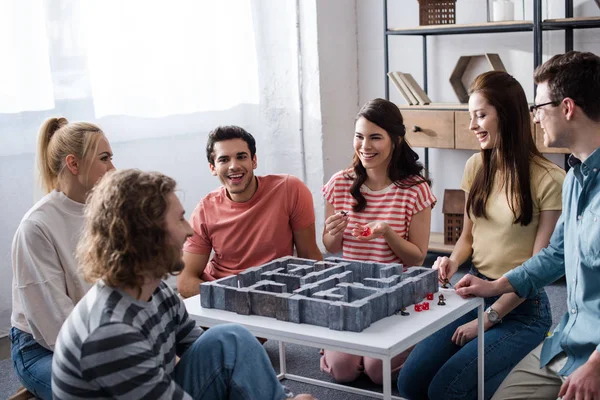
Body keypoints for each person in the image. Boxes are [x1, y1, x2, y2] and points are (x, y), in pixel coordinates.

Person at [51, 169, 316, 400]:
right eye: (179, 219)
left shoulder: (155, 290)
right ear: (147, 234)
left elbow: (211, 354)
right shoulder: (111, 332)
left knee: (229, 337)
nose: (190, 230)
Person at [397, 71, 566, 400]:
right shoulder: (476, 166)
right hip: (472, 292)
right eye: (470, 116)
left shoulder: (550, 179)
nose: (473, 125)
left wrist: (489, 319)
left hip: (521, 308)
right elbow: (467, 239)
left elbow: (537, 267)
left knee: (446, 390)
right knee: (410, 383)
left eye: (481, 115)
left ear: (507, 114)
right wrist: (451, 261)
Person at [455, 51, 600, 400]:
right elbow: (554, 255)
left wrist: (595, 366)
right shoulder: (574, 180)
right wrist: (492, 288)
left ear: (566, 108)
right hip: (568, 337)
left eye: (539, 107)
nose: (534, 118)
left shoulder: (555, 177)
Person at [320, 98, 436, 384]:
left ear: (395, 141)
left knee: (377, 371)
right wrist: (332, 233)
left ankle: (421, 339)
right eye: (359, 137)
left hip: (397, 293)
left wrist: (386, 232)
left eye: (375, 138)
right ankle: (336, 345)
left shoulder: (415, 189)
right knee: (343, 370)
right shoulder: (339, 183)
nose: (365, 146)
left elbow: (417, 258)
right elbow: (331, 248)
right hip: (350, 291)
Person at [9, 117, 114, 399]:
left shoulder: (105, 212)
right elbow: (55, 325)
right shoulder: (37, 227)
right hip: (40, 347)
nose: (113, 168)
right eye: (104, 158)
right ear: (73, 164)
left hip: (98, 334)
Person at [177, 125, 322, 298]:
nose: (234, 166)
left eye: (241, 157)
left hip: (274, 293)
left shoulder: (290, 189)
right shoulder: (205, 210)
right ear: (212, 168)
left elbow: (309, 256)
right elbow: (185, 281)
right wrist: (233, 300)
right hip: (223, 295)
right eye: (224, 160)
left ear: (253, 161)